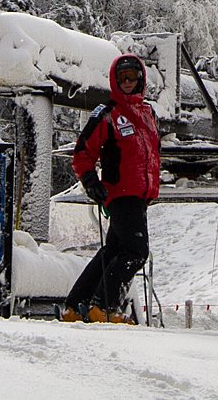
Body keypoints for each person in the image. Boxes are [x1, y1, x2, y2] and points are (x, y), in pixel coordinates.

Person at [62, 55, 160, 323]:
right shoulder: (107, 113)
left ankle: (77, 304)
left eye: (132, 77)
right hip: (121, 192)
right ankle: (104, 306)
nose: (127, 83)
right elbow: (83, 152)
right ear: (115, 82)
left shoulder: (148, 113)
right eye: (122, 79)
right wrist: (90, 179)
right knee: (136, 252)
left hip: (140, 193)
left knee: (114, 251)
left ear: (140, 79)